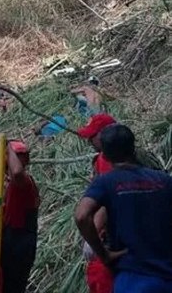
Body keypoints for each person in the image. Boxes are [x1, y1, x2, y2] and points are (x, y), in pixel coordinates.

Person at [75, 124, 172, 292]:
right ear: (133, 148)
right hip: (167, 272)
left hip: (133, 275)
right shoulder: (164, 180)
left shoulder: (105, 182)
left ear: (105, 155)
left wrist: (103, 254)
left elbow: (81, 216)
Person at [0, 140, 40, 293]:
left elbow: (16, 172)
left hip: (19, 243)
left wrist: (7, 145)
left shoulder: (24, 182)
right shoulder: (12, 185)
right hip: (11, 239)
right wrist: (0, 206)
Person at [73, 113, 117, 293]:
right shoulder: (113, 157)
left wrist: (93, 236)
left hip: (113, 237)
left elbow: (107, 201)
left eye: (93, 136)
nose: (89, 141)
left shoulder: (107, 160)